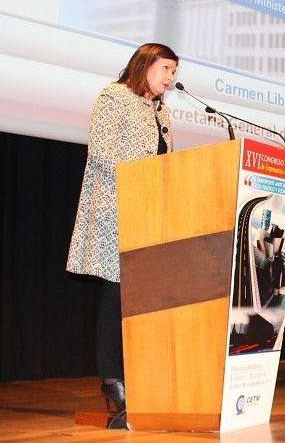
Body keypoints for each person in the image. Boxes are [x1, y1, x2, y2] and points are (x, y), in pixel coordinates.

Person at [65, 43, 178, 428]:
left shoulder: (161, 110)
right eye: (165, 68)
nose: (170, 78)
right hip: (117, 207)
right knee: (116, 293)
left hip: (150, 212)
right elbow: (101, 151)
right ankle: (113, 380)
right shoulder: (114, 96)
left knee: (142, 297)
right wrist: (138, 181)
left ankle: (141, 376)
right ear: (144, 65)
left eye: (173, 72)